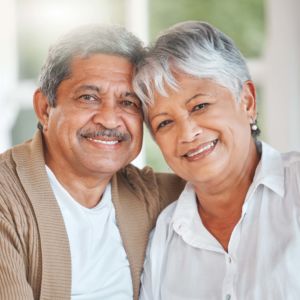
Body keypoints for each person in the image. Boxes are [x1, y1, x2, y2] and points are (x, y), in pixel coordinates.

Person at [0, 24, 185, 300]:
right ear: (44, 108)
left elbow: (226, 185)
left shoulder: (147, 194)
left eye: (129, 103)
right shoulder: (7, 197)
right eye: (88, 98)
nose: (109, 119)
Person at [133, 20, 300, 300]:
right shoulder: (164, 233)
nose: (187, 133)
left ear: (246, 101)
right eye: (164, 123)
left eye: (200, 106)